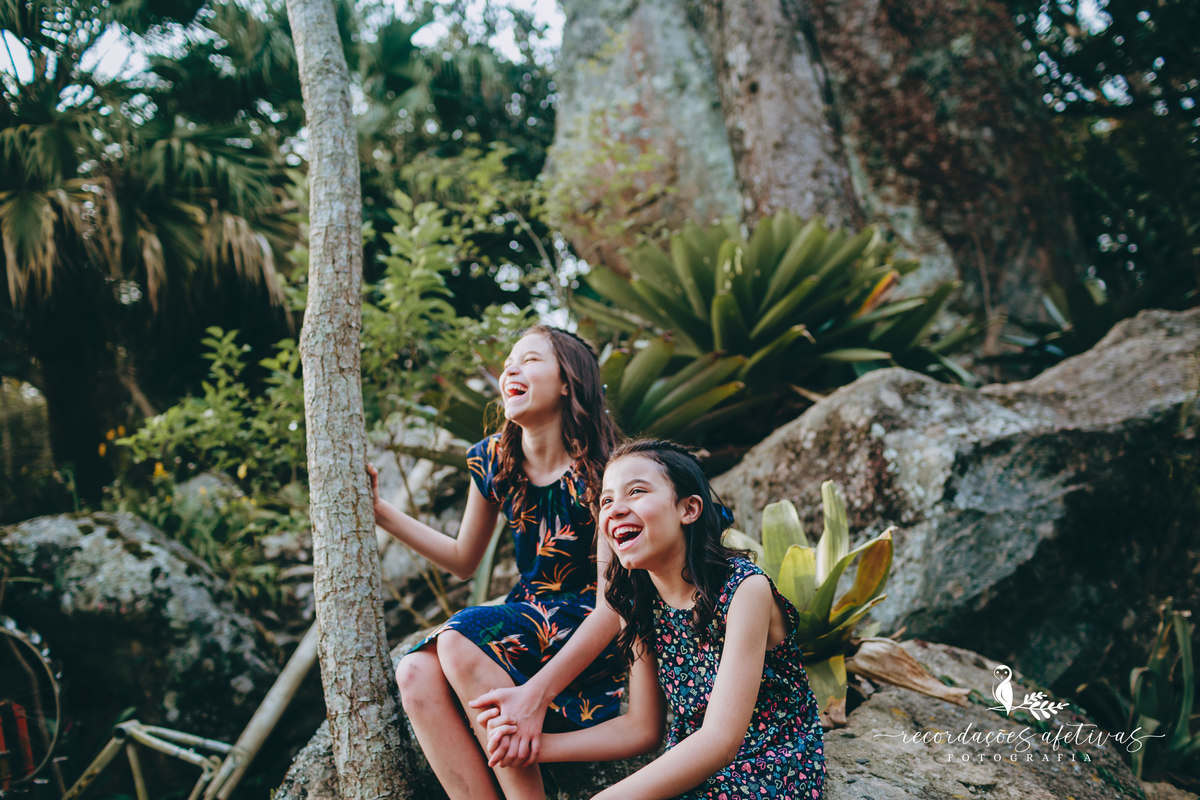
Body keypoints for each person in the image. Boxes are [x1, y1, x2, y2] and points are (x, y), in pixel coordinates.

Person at [480, 439, 826, 800]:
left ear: (689, 509)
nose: (615, 510)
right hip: (693, 769)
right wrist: (534, 747)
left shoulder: (744, 589)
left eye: (637, 492)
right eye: (607, 500)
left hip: (768, 769)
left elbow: (720, 741)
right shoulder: (638, 602)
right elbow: (641, 728)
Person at [367, 326, 624, 800]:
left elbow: (614, 607)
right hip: (529, 615)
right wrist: (380, 512)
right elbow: (464, 560)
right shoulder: (493, 460)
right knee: (414, 673)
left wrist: (536, 696)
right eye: (508, 362)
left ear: (568, 382)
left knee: (461, 637)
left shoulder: (606, 471)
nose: (510, 367)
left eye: (529, 360)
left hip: (589, 621)